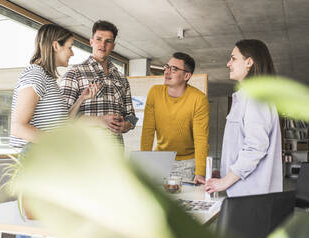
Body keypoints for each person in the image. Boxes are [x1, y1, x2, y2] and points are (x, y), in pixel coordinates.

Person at [10, 24, 98, 238]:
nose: (72, 53)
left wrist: (81, 100)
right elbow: (19, 127)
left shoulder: (49, 80)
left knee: (44, 232)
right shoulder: (35, 75)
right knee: (34, 236)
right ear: (55, 45)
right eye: (69, 47)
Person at [205, 39, 283, 197]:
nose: (228, 63)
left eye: (233, 58)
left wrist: (225, 181)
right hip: (242, 192)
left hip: (251, 196)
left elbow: (255, 147)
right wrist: (221, 175)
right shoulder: (247, 96)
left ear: (249, 62)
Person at [59, 20, 137, 144]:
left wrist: (127, 125)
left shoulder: (121, 78)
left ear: (113, 46)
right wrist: (100, 120)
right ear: (91, 42)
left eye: (108, 41)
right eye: (99, 39)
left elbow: (131, 115)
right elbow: (63, 117)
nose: (103, 44)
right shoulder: (74, 73)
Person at [141, 52, 209, 184]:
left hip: (187, 163)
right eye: (167, 67)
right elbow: (147, 132)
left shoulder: (198, 99)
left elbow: (201, 139)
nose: (167, 72)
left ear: (186, 75)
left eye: (174, 69)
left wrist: (200, 172)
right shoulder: (154, 92)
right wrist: (144, 163)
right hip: (160, 158)